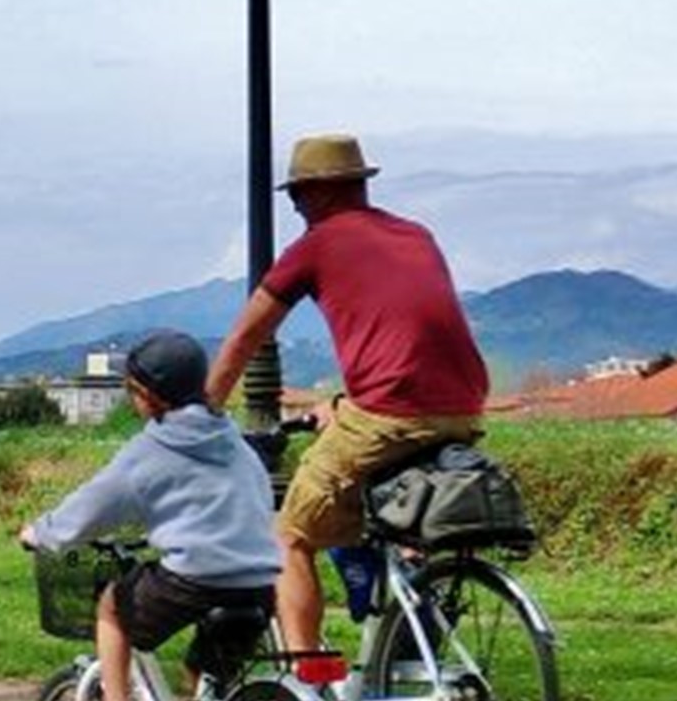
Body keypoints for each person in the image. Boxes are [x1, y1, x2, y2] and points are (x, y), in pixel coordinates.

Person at [205, 133, 491, 651]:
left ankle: (305, 673)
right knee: (385, 516)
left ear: (318, 192)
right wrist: (340, 403)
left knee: (288, 538)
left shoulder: (317, 244)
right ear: (359, 185)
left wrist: (202, 412)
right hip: (465, 405)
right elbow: (408, 335)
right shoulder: (416, 234)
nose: (295, 208)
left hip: (390, 413)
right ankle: (407, 612)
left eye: (295, 197)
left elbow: (246, 335)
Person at [23, 331, 282, 701]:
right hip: (258, 582)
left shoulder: (153, 446)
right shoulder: (232, 439)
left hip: (194, 580)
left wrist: (42, 532)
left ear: (150, 395)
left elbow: (95, 503)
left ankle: (116, 697)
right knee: (208, 673)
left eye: (133, 390)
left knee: (113, 606)